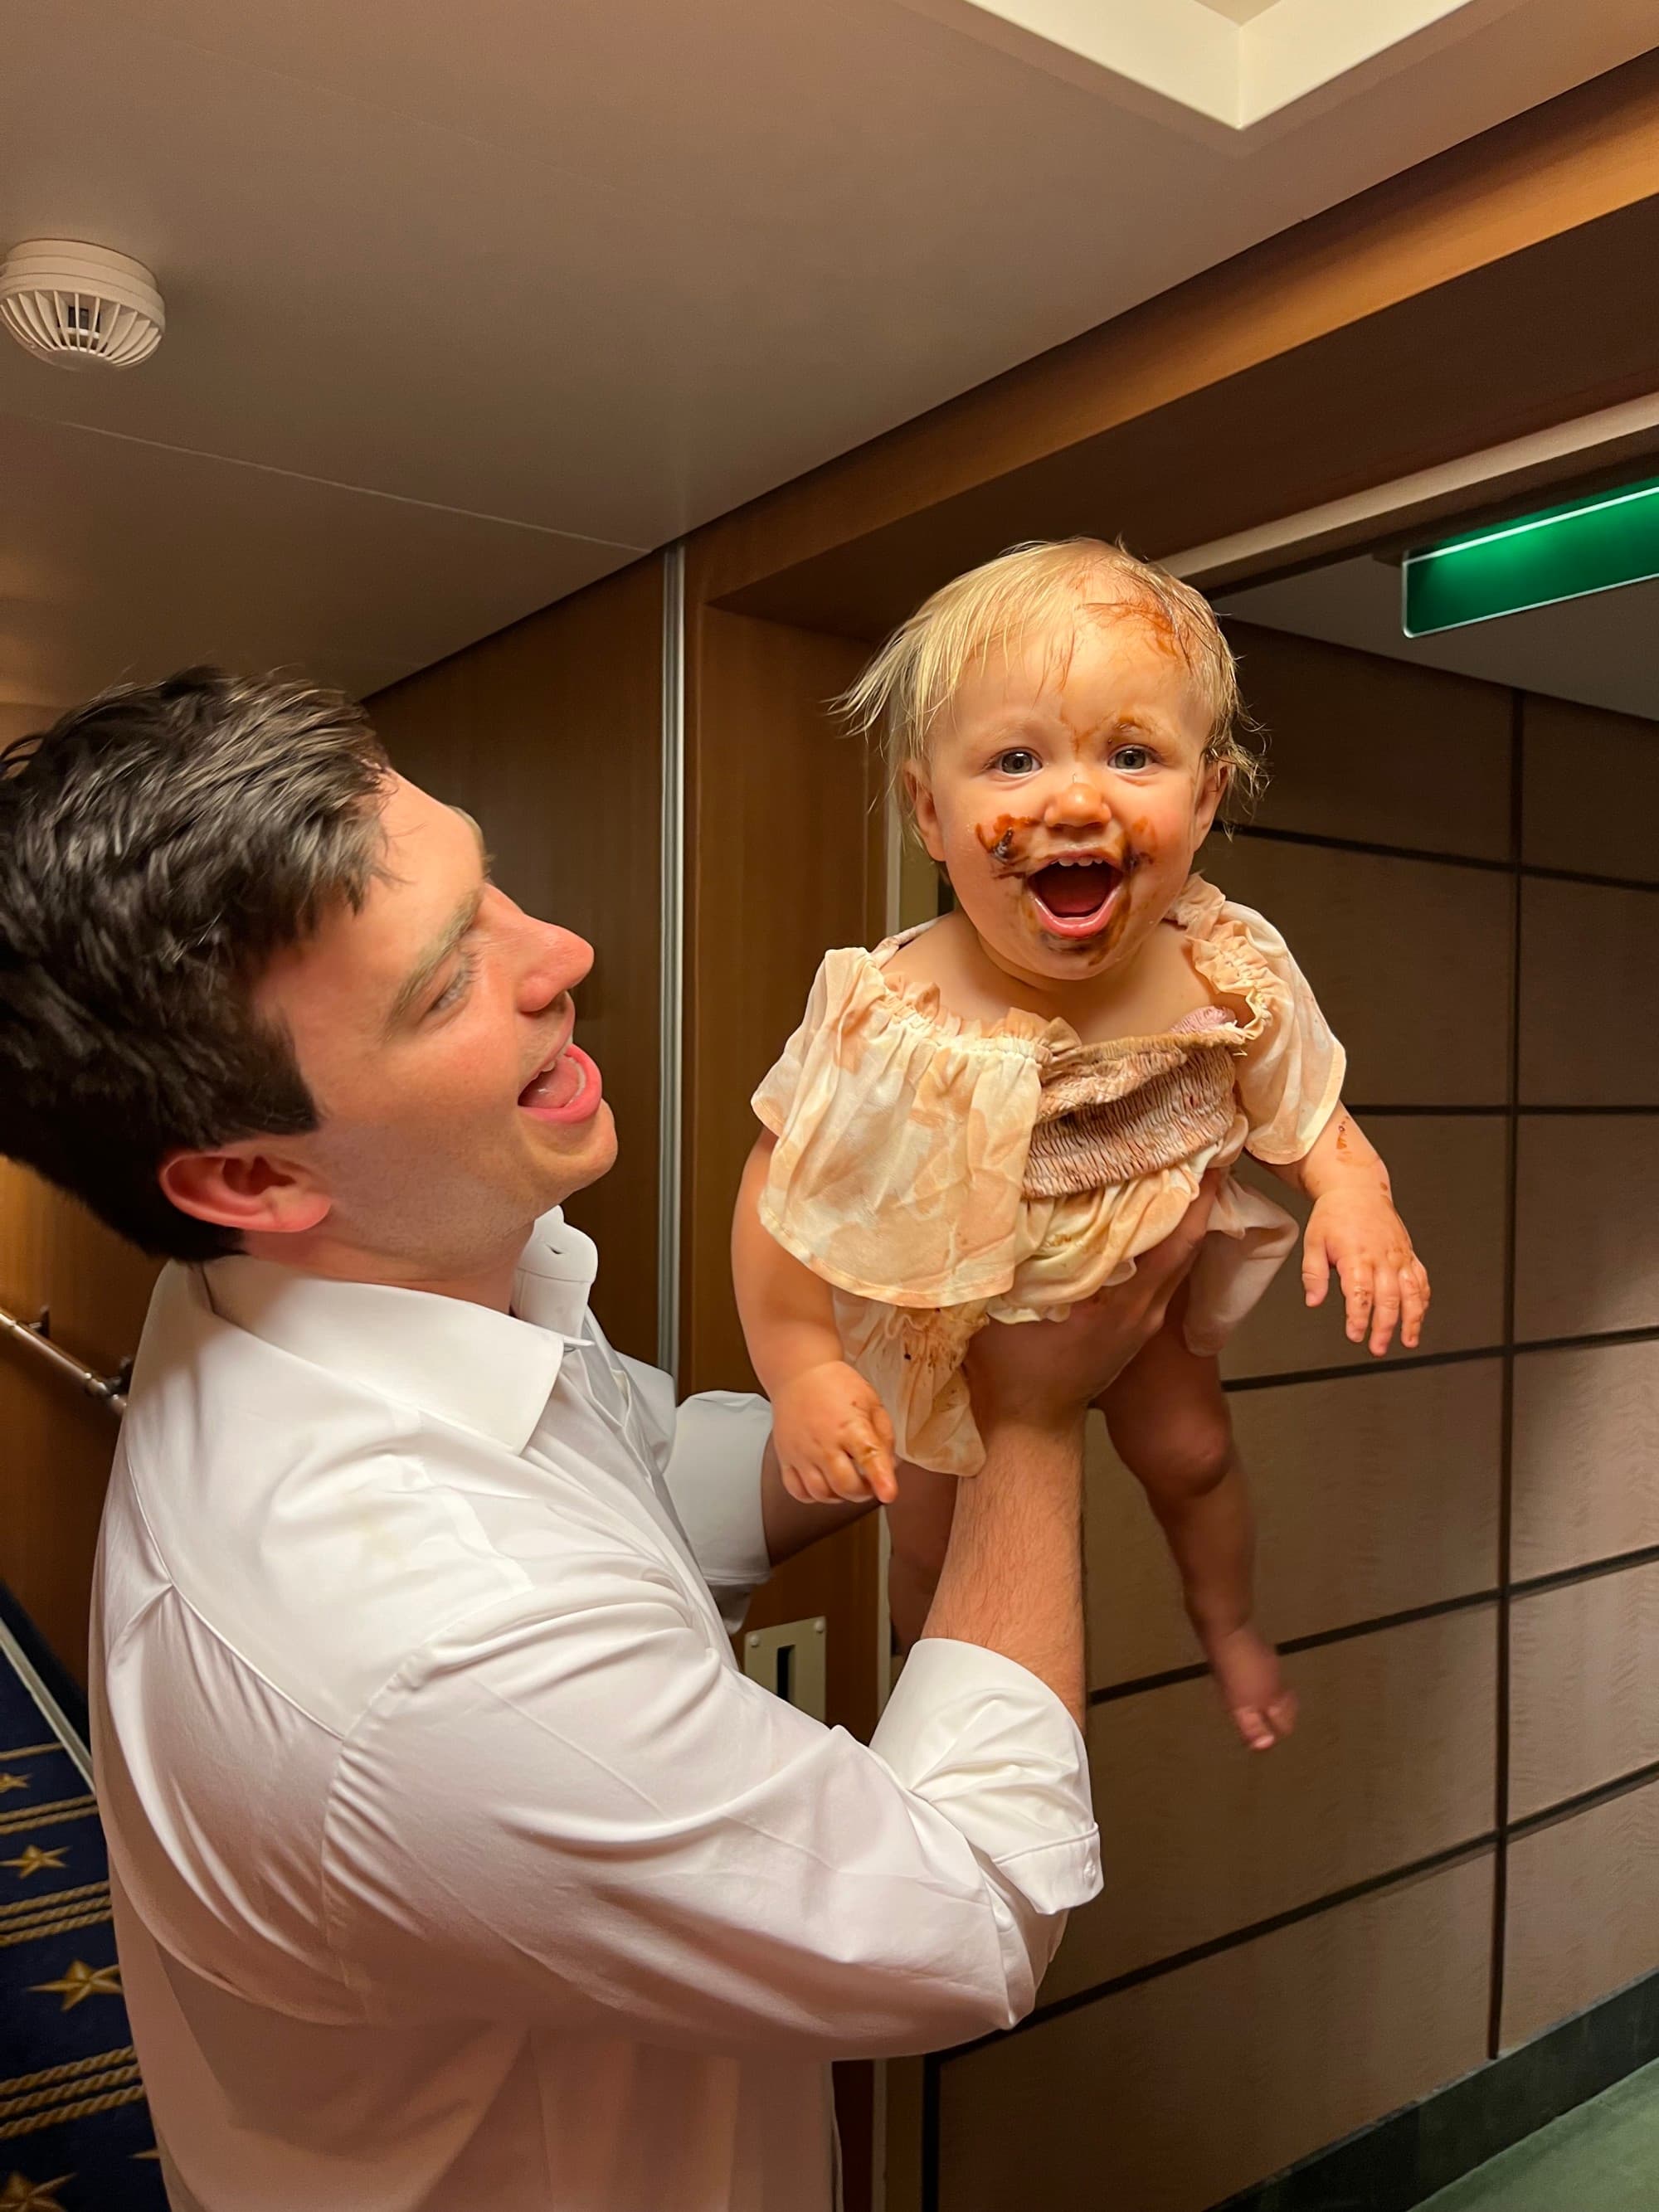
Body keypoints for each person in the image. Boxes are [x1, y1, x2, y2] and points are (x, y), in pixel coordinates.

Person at [0, 668, 1221, 2212]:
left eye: (490, 889)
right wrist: (1035, 1414)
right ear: (251, 1178)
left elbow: (633, 1487)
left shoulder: (315, 1288)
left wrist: (932, 1355)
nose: (563, 955)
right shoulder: (431, 1646)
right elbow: (965, 1916)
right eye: (446, 983)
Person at [733, 539, 1432, 1753]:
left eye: (1132, 754)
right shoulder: (892, 1012)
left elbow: (1309, 1108)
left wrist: (1355, 1198)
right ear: (929, 812)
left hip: (1145, 1291)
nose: (1074, 801)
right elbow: (777, 1185)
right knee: (930, 1532)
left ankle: (1228, 1624)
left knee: (1195, 1457)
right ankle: (932, 1724)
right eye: (1015, 760)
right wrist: (798, 1368)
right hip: (956, 1326)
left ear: (1205, 799)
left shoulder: (1224, 967)